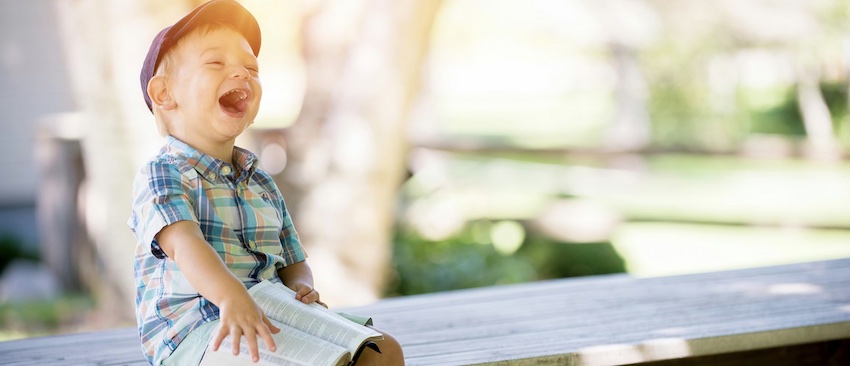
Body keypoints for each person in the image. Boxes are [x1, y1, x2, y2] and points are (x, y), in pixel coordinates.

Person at [128, 1, 404, 365]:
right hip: (199, 330)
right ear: (164, 93)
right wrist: (231, 296)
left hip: (274, 315)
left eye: (251, 68)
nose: (240, 73)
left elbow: (292, 259)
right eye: (216, 63)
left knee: (383, 350)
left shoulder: (259, 181)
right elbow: (185, 245)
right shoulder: (163, 174)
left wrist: (301, 285)